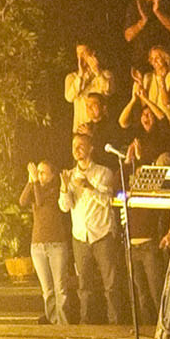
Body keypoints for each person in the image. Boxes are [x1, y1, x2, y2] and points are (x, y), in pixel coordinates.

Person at [66, 132, 128, 325]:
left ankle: (115, 324)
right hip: (80, 237)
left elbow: (108, 201)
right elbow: (65, 206)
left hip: (102, 235)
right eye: (74, 145)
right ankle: (87, 325)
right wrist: (63, 187)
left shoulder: (103, 172)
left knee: (111, 285)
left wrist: (88, 186)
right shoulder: (70, 175)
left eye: (81, 145)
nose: (77, 149)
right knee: (84, 286)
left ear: (91, 148)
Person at [20, 160, 74, 325]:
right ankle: (53, 323)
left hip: (56, 245)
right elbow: (22, 201)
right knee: (47, 290)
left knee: (60, 289)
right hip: (37, 246)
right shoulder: (36, 188)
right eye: (39, 172)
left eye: (44, 172)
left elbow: (41, 200)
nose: (40, 175)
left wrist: (35, 182)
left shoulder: (55, 191)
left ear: (52, 176)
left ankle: (63, 324)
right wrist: (30, 181)